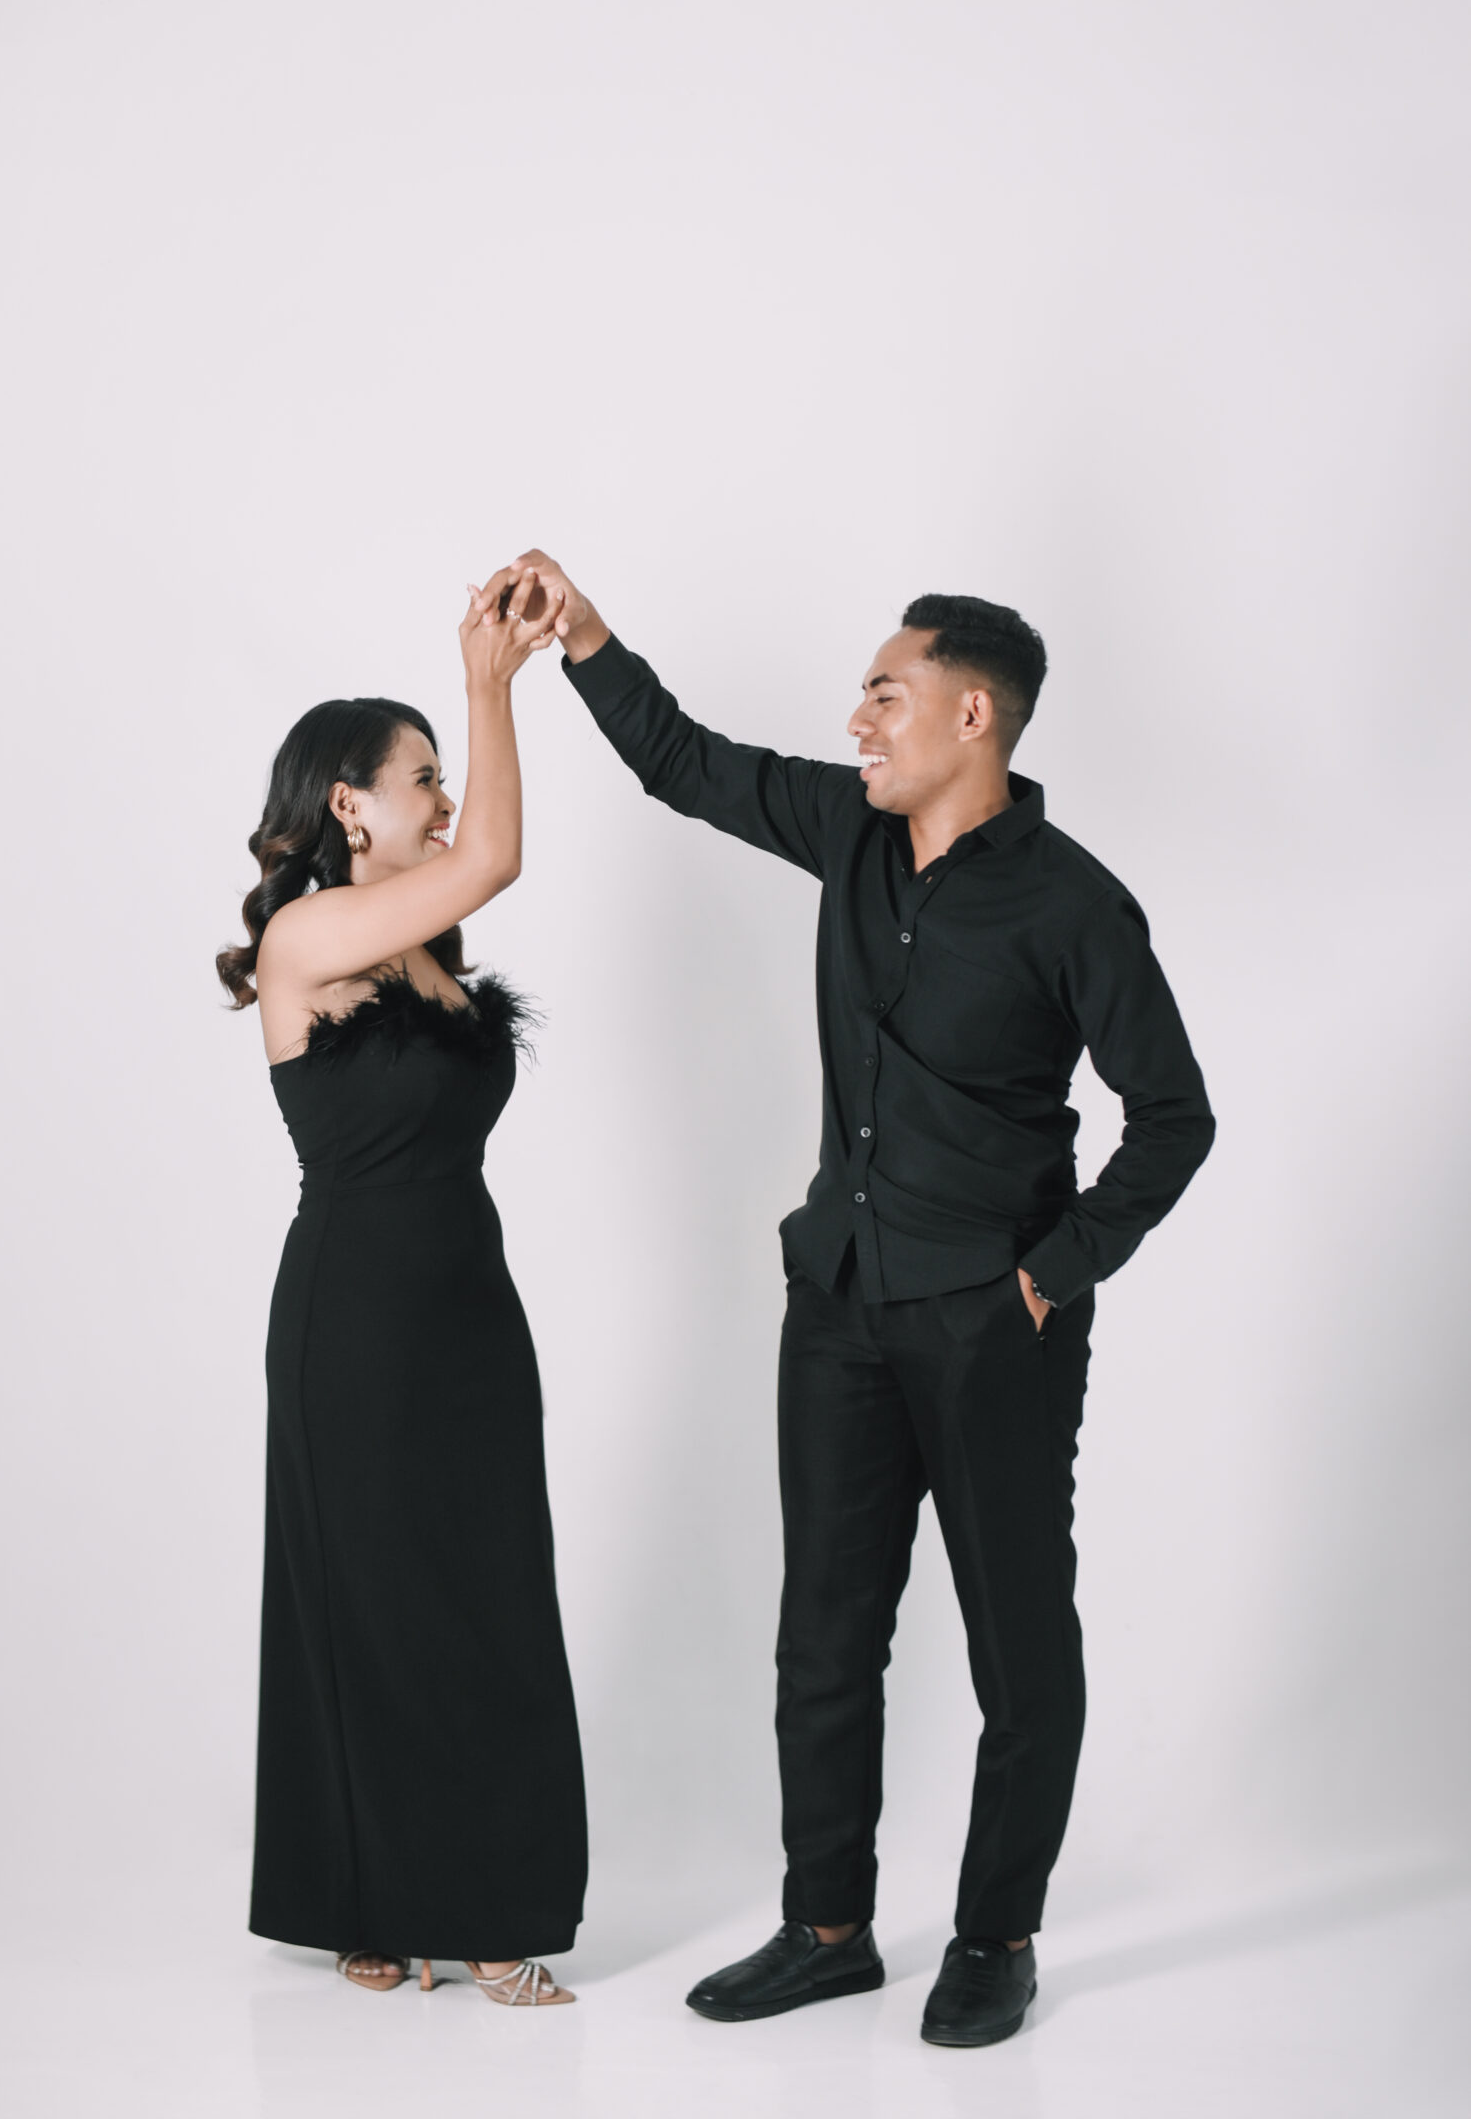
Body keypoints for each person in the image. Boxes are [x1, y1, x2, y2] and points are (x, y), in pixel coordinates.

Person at [505, 550, 1214, 2048]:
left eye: (886, 696)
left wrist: (1054, 1274)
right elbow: (686, 764)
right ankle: (825, 1930)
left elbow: (1175, 1117)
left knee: (1020, 1646)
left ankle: (995, 1937)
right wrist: (585, 639)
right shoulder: (848, 830)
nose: (858, 722)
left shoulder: (1078, 906)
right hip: (838, 1298)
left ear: (973, 715)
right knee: (824, 1637)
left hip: (993, 1319)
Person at [215, 566, 585, 2010]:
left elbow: (470, 870)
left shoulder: (430, 953)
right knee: (370, 1601)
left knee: (486, 1594)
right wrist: (490, 680)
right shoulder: (306, 941)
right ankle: (377, 1900)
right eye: (422, 777)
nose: (445, 799)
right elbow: (495, 855)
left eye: (442, 774)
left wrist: (484, 701)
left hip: (470, 1312)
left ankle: (479, 1897)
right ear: (349, 807)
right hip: (355, 1319)